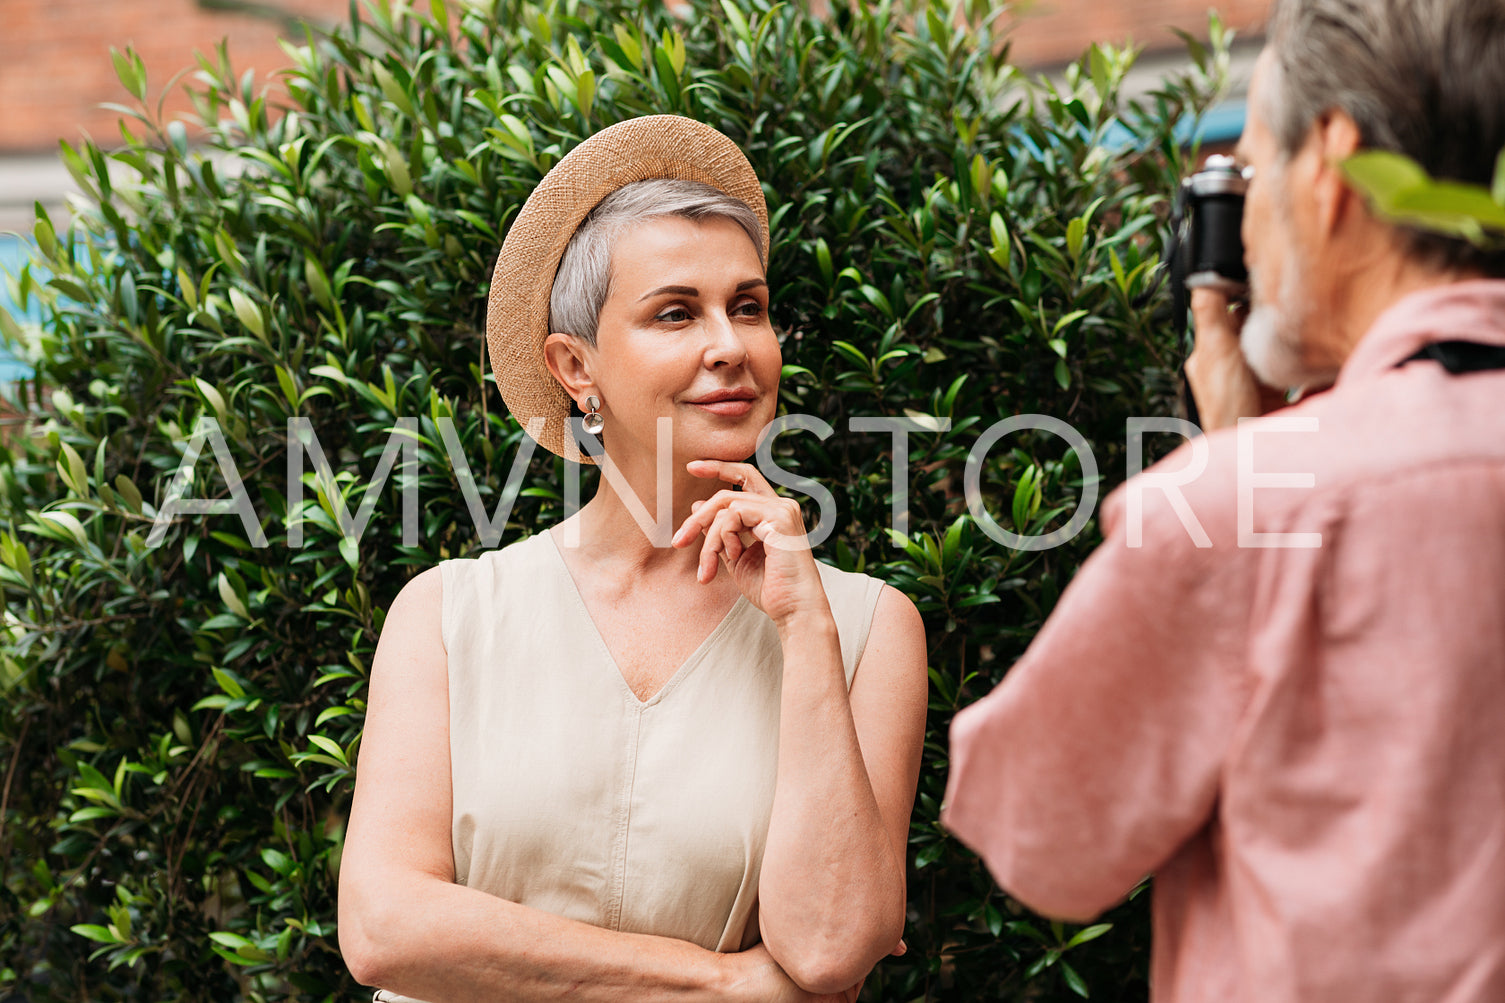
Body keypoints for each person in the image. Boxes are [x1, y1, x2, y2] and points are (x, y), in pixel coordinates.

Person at [940, 1, 1505, 1001]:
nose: (1241, 222)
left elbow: (1038, 839)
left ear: (1329, 164)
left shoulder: (1238, 503)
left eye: (1248, 169)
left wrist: (1233, 476)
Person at [337, 115, 929, 1002]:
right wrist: (719, 984)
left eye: (749, 307)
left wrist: (803, 628)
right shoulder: (449, 616)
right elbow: (385, 927)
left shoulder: (865, 627)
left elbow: (833, 945)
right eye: (675, 312)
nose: (728, 344)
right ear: (577, 367)